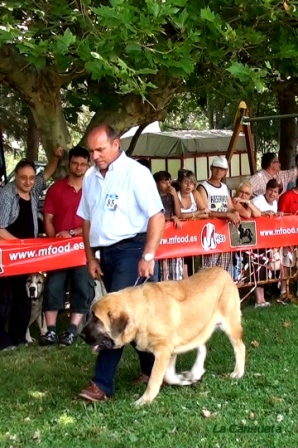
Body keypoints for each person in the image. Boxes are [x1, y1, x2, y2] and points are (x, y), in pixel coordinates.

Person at [77, 123, 165, 402]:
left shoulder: (135, 173)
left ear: (116, 145)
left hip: (133, 248)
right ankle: (153, 371)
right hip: (106, 252)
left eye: (100, 149)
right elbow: (86, 220)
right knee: (136, 317)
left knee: (113, 316)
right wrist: (90, 256)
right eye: (92, 150)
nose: (95, 156)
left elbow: (157, 216)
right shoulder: (90, 177)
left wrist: (148, 255)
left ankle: (101, 384)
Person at [0, 148, 63, 351]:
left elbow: (46, 174)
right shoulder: (7, 195)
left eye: (30, 178)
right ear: (16, 177)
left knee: (23, 297)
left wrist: (55, 157)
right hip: (8, 254)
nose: (27, 182)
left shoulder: (34, 190)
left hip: (26, 256)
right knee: (4, 299)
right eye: (23, 178)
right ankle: (2, 341)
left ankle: (18, 337)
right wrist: (18, 245)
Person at [39, 146, 95, 347]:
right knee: (54, 285)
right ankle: (51, 331)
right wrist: (55, 242)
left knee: (82, 285)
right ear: (69, 163)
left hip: (83, 250)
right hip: (59, 250)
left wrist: (72, 233)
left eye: (83, 164)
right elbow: (48, 218)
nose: (79, 167)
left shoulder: (93, 189)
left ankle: (71, 330)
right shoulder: (56, 189)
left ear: (88, 165)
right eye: (75, 163)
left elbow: (95, 222)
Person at [197, 156, 240, 276]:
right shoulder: (203, 187)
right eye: (216, 168)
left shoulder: (225, 187)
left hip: (224, 231)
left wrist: (234, 212)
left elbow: (230, 206)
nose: (218, 171)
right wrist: (227, 214)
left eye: (222, 169)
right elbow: (205, 211)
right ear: (211, 168)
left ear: (225, 172)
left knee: (225, 268)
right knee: (208, 269)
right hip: (210, 232)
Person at [251, 179, 280, 308]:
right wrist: (263, 214)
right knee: (259, 267)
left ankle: (273, 293)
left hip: (269, 241)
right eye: (270, 190)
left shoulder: (275, 203)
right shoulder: (257, 201)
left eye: (275, 192)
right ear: (266, 189)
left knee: (277, 265)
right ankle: (259, 299)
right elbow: (250, 215)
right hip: (257, 241)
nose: (272, 194)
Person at [178, 169, 209, 277]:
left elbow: (206, 213)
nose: (188, 186)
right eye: (186, 182)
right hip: (178, 235)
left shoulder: (195, 194)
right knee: (182, 262)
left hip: (193, 234)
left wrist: (192, 215)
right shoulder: (175, 195)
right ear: (180, 183)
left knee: (191, 261)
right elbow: (179, 216)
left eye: (191, 183)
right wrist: (198, 212)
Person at [153, 170, 183, 281]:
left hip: (171, 235)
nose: (167, 184)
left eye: (169, 181)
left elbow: (179, 214)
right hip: (159, 233)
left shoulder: (171, 195)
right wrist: (171, 218)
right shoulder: (153, 196)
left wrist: (175, 195)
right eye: (164, 182)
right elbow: (155, 215)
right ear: (156, 183)